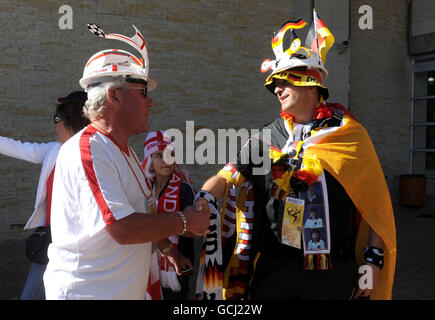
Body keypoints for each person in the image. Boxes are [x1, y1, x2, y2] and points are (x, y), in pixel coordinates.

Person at [195, 13, 396, 300]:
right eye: (273, 83)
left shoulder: (349, 135)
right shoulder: (266, 138)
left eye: (284, 81)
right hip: (276, 267)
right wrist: (204, 199)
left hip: (333, 271)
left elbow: (374, 202)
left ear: (310, 81)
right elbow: (227, 175)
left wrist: (373, 260)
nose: (276, 89)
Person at [43, 24, 209, 300]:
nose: (151, 102)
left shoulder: (122, 150)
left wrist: (168, 249)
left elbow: (137, 214)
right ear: (114, 96)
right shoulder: (89, 150)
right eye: (143, 92)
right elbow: (122, 227)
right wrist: (185, 221)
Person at [0, 91, 89, 300]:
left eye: (57, 118)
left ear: (74, 121)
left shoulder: (93, 155)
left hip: (78, 246)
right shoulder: (54, 150)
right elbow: (19, 148)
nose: (55, 124)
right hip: (52, 242)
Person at [142, 130, 195, 300]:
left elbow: (194, 228)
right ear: (149, 161)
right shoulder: (144, 190)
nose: (166, 160)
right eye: (158, 155)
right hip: (149, 265)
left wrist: (158, 228)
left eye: (170, 154)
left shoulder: (185, 189)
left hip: (179, 263)